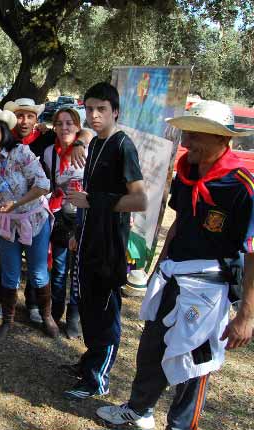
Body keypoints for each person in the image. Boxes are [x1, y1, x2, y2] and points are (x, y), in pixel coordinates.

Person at [97, 100, 254, 430]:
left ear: (221, 140)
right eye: (186, 133)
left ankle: (181, 426)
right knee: (152, 347)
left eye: (195, 135)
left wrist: (246, 316)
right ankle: (139, 409)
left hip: (209, 288)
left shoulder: (242, 186)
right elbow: (181, 221)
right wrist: (160, 267)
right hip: (173, 277)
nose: (185, 143)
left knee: (194, 362)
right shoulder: (186, 173)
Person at [63, 82, 147, 400]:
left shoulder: (123, 146)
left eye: (101, 110)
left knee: (105, 309)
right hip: (88, 238)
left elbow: (139, 200)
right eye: (89, 109)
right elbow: (88, 195)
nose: (94, 116)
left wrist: (93, 201)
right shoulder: (96, 142)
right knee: (88, 305)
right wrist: (77, 232)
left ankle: (99, 378)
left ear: (116, 112)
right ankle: (90, 362)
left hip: (109, 244)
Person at [0, 107, 56, 342]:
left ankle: (47, 317)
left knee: (38, 273)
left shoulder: (21, 152)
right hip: (6, 225)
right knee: (10, 275)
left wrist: (17, 203)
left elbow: (43, 185)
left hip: (34, 220)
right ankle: (7, 321)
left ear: (4, 129)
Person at [43, 107, 87, 338]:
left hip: (83, 217)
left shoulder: (87, 150)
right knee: (59, 268)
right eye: (59, 124)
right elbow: (50, 184)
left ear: (78, 127)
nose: (64, 128)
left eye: (69, 123)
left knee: (78, 270)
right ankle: (56, 310)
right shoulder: (50, 152)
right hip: (60, 215)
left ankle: (74, 316)